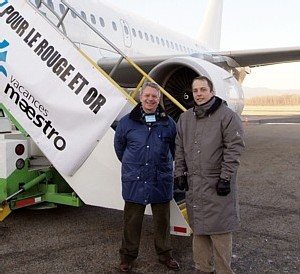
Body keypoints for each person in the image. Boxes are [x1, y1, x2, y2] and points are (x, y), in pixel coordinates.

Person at [174, 76, 245, 274]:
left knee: (220, 233)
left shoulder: (227, 116)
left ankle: (224, 271)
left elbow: (234, 148)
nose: (199, 94)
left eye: (203, 90)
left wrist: (225, 177)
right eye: (195, 90)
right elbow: (179, 147)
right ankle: (203, 269)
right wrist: (179, 172)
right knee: (199, 231)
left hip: (216, 184)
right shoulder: (185, 118)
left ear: (212, 92)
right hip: (195, 185)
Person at [114, 82, 180, 273]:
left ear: (159, 99)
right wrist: (134, 164)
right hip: (135, 180)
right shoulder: (126, 122)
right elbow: (120, 149)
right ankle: (127, 257)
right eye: (147, 95)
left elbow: (174, 150)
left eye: (154, 96)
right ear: (140, 97)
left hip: (160, 180)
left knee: (162, 222)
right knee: (132, 222)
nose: (150, 99)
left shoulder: (169, 123)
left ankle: (165, 254)